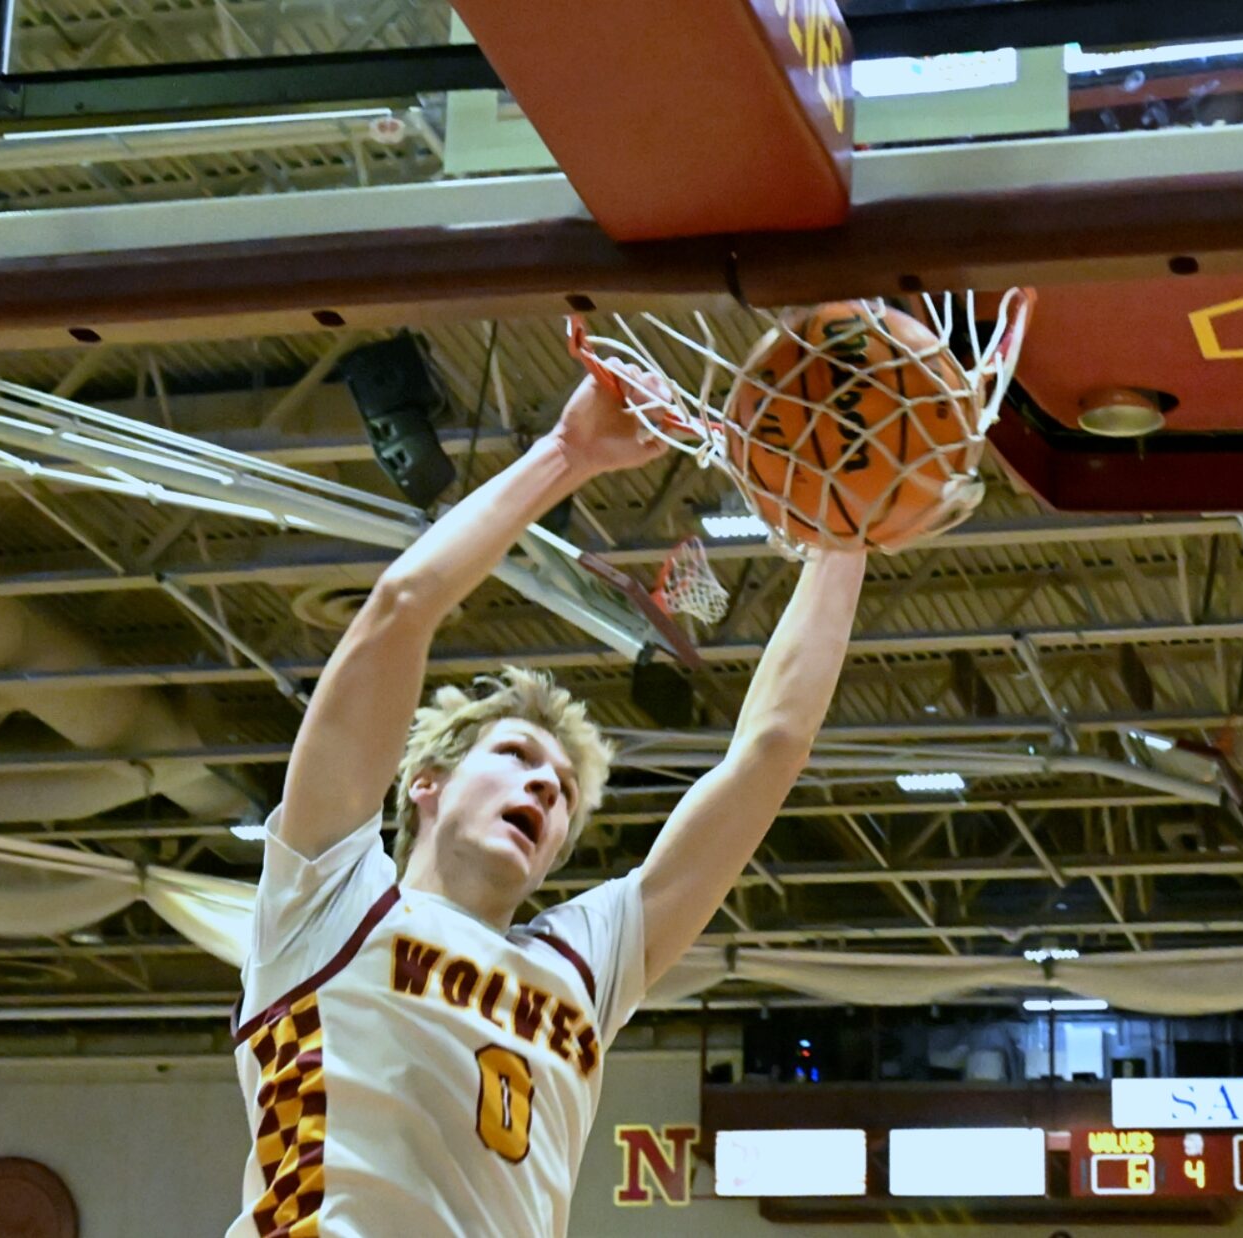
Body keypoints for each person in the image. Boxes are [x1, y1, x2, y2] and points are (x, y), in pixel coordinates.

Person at [227, 364, 866, 1238]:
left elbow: (770, 751)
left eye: (562, 792)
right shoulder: (327, 898)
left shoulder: (581, 964)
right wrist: (565, 454)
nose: (542, 786)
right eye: (518, 756)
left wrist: (848, 533)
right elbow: (399, 610)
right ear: (427, 782)